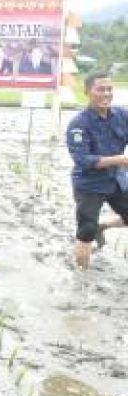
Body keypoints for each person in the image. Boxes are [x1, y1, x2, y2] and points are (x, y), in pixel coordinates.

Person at [65, 71, 128, 268]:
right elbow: (83, 160)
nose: (106, 94)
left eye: (109, 89)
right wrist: (120, 159)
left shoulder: (121, 115)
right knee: (86, 230)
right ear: (87, 92)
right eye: (100, 89)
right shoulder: (78, 124)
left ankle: (103, 226)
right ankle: (82, 279)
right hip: (90, 184)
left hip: (117, 179)